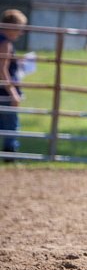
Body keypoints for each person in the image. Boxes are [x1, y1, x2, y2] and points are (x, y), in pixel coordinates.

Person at [0, 9, 28, 160]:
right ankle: (9, 156)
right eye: (19, 28)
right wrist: (13, 93)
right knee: (10, 123)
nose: (21, 32)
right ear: (11, 27)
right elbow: (2, 69)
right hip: (4, 91)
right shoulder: (5, 43)